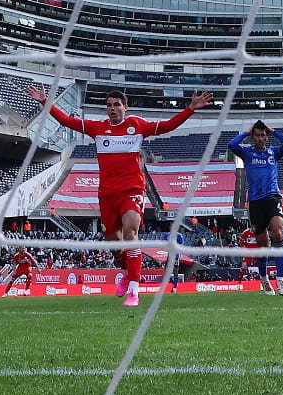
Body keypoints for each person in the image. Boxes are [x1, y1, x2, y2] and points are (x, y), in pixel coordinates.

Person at [28, 86, 213, 306]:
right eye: (108, 105)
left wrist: (190, 108)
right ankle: (127, 272)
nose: (112, 108)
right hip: (107, 194)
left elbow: (165, 126)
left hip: (132, 190)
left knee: (130, 233)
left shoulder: (136, 125)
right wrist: (45, 102)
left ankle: (134, 290)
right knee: (114, 243)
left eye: (117, 105)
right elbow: (68, 121)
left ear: (126, 107)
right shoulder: (97, 128)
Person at [228, 120, 283, 295]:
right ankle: (265, 280)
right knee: (263, 246)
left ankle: (281, 279)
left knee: (278, 233)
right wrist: (247, 131)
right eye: (256, 135)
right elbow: (231, 144)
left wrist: (273, 131)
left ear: (267, 137)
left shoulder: (274, 152)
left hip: (273, 198)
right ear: (253, 137)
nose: (260, 138)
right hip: (256, 203)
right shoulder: (247, 153)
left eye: (263, 135)